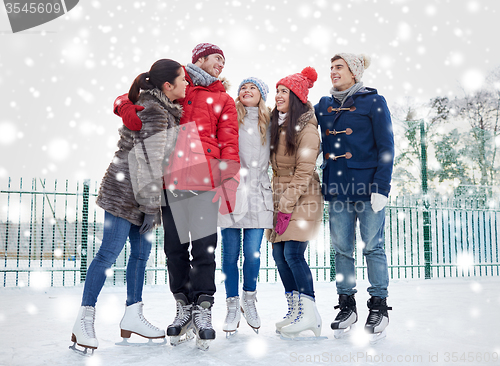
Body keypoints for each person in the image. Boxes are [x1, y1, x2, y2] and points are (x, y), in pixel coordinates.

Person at [113, 43, 239, 350]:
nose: (221, 64)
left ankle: (204, 309)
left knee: (205, 250)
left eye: (224, 60)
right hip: (173, 182)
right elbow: (134, 96)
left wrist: (228, 186)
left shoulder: (224, 99)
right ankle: (183, 307)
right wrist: (124, 106)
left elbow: (230, 145)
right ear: (200, 59)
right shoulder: (178, 87)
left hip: (206, 182)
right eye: (216, 58)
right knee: (175, 249)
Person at [70, 59, 186, 354]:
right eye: (182, 79)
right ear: (167, 86)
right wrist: (150, 208)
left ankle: (133, 314)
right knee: (109, 252)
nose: (186, 84)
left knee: (141, 255)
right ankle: (84, 320)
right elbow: (146, 162)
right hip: (124, 193)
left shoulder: (165, 110)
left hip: (141, 195)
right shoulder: (157, 112)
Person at [314, 53, 394, 341]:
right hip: (337, 188)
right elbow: (298, 120)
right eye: (331, 68)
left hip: (368, 188)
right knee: (341, 250)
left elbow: (386, 146)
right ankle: (347, 305)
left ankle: (379, 306)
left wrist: (381, 187)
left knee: (373, 247)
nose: (333, 72)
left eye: (339, 67)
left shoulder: (374, 101)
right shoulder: (324, 105)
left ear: (354, 72)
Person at [265, 67, 324, 339]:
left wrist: (286, 203)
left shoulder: (307, 129)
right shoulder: (277, 124)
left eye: (284, 91)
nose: (278, 95)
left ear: (297, 97)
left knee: (293, 255)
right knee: (279, 255)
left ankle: (310, 313)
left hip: (303, 196)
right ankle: (295, 310)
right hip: (282, 195)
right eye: (277, 91)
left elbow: (303, 171)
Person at [219, 77, 273, 336]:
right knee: (230, 255)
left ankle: (249, 300)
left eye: (253, 88)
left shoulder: (271, 122)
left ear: (262, 95)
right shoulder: (229, 118)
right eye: (243, 87)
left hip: (260, 194)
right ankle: (231, 304)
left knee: (252, 253)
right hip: (231, 191)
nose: (246, 90)